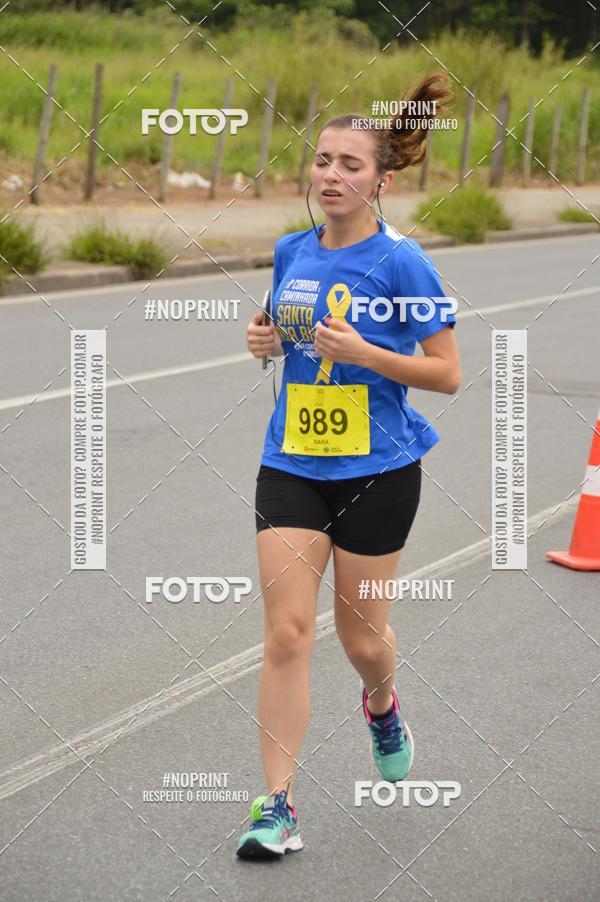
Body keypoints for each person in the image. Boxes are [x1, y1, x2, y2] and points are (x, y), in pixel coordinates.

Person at [237, 71, 460, 860]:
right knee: (287, 633)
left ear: (382, 180)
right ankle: (276, 807)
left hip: (379, 469)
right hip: (292, 461)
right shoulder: (291, 249)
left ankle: (382, 700)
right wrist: (264, 339)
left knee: (360, 636)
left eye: (349, 164)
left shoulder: (404, 263)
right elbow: (282, 329)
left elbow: (448, 373)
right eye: (322, 159)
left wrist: (369, 353)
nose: (330, 174)